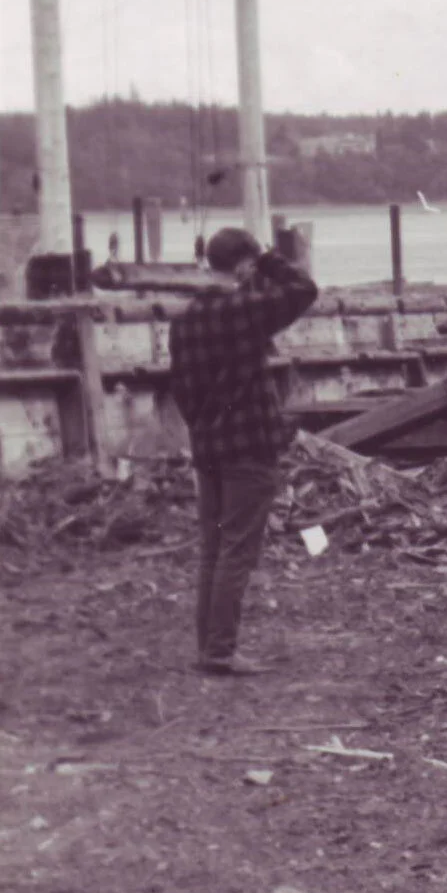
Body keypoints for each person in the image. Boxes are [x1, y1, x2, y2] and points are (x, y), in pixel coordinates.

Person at [168, 228, 319, 676]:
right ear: (242, 266)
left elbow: (181, 391)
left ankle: (209, 647)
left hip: (208, 447)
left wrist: (202, 426)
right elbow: (304, 289)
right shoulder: (246, 311)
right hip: (249, 447)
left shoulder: (183, 321)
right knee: (237, 550)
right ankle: (220, 651)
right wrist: (269, 258)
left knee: (214, 549)